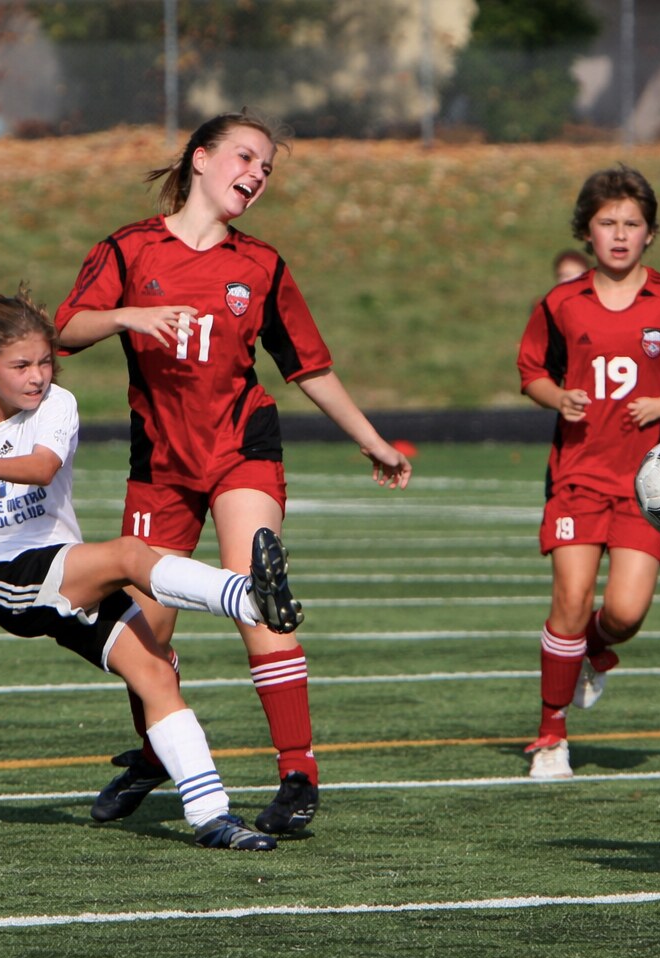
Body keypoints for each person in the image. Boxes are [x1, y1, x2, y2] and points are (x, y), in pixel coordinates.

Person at [55, 108, 412, 835]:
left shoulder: (262, 265)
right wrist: (127, 317)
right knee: (141, 633)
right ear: (199, 159)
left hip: (241, 448)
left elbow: (309, 367)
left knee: (259, 590)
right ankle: (158, 753)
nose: (256, 175)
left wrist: (373, 440)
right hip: (159, 461)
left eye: (267, 168)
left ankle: (298, 774)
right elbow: (62, 331)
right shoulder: (128, 251)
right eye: (245, 158)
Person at [0, 287, 309, 851]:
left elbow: (41, 469)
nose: (37, 376)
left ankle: (213, 818)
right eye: (20, 365)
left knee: (156, 673)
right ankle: (248, 599)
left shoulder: (56, 406)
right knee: (128, 555)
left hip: (63, 570)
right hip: (4, 578)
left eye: (45, 362)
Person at [516, 166, 660, 779]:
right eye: (608, 223)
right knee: (570, 599)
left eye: (632, 224)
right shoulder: (560, 303)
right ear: (588, 231)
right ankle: (550, 736)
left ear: (650, 233)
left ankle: (595, 651)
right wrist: (558, 398)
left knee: (624, 614)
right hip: (577, 475)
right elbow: (531, 373)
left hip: (647, 486)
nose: (620, 235)